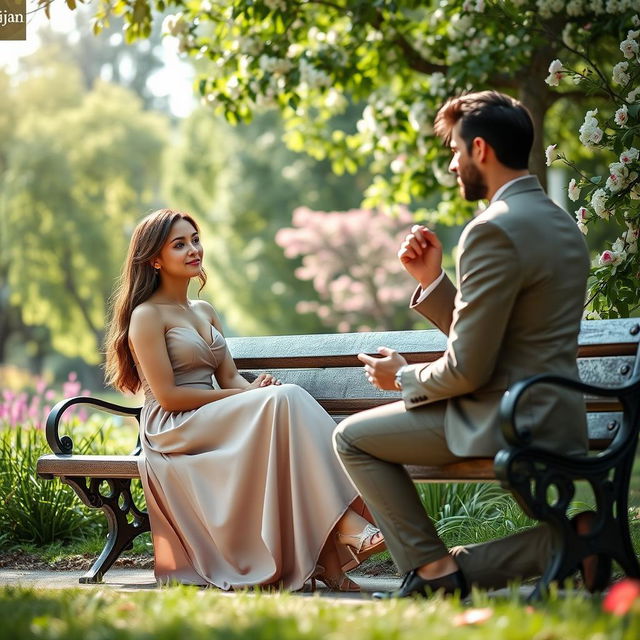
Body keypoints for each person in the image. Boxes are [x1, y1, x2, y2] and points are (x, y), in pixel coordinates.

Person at [334, 90, 592, 598]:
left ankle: (436, 572)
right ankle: (568, 544)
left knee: (351, 438)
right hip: (554, 410)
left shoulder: (491, 230)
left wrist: (400, 378)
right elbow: (507, 337)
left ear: (480, 150)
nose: (452, 164)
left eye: (454, 150)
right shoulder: (562, 224)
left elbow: (470, 369)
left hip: (506, 414)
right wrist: (433, 282)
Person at [104, 209, 385, 591]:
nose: (193, 250)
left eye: (195, 239)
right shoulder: (146, 316)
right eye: (180, 244)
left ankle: (330, 560)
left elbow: (230, 377)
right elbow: (168, 397)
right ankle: (345, 528)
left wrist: (256, 388)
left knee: (284, 402)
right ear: (155, 259)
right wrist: (246, 395)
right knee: (284, 401)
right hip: (176, 426)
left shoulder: (204, 311)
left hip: (218, 415)